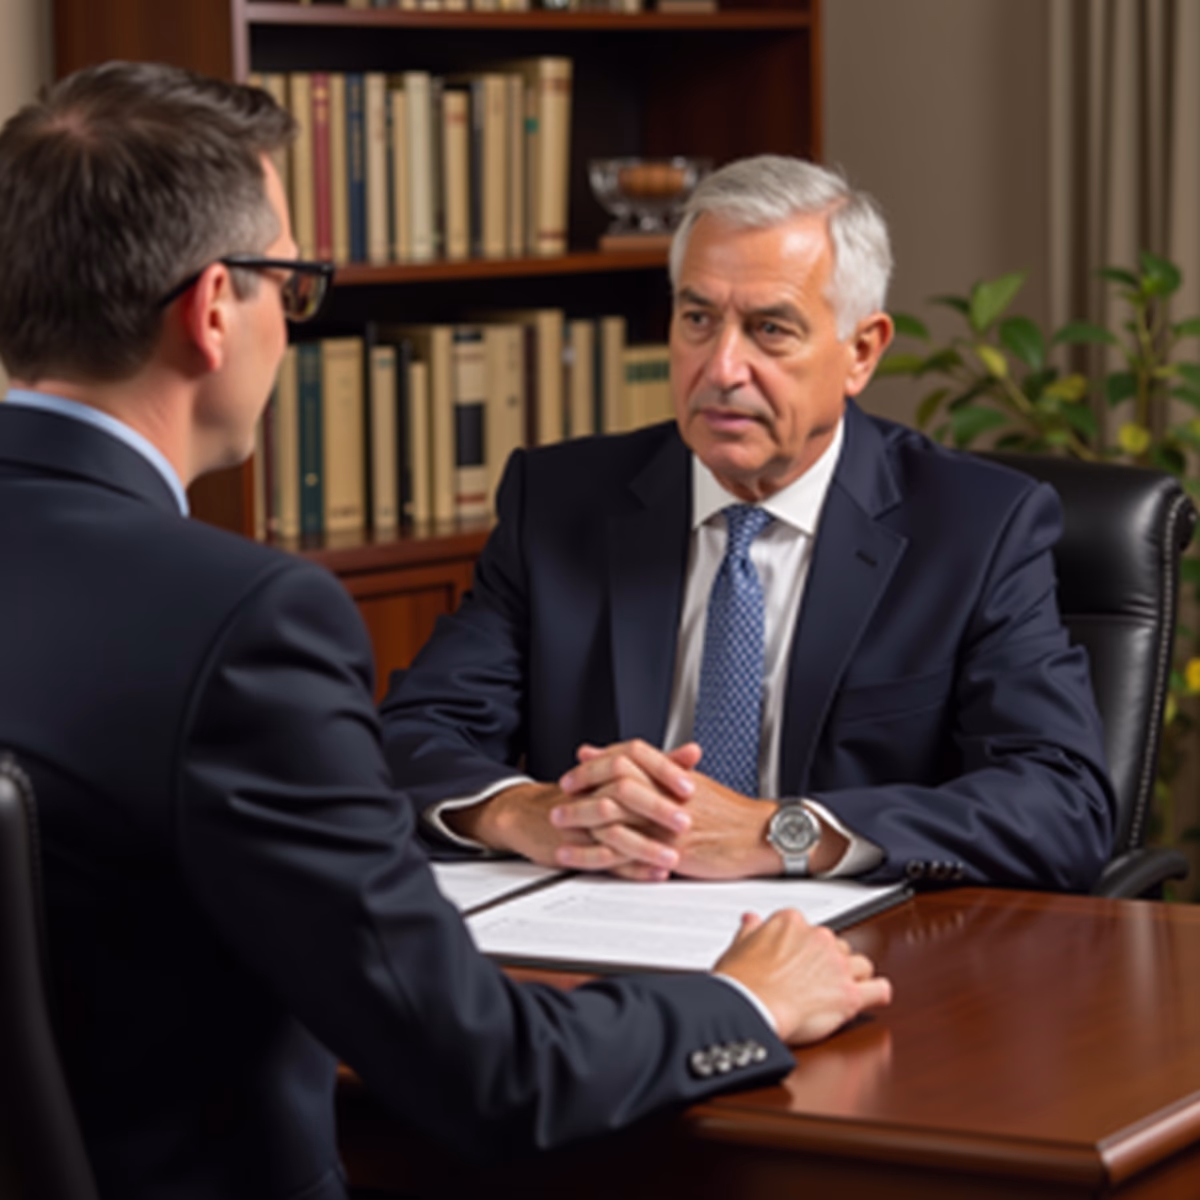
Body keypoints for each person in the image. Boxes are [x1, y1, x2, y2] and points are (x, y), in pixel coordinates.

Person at [0, 66, 892, 1200]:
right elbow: (491, 1078)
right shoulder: (243, 622)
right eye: (293, 282)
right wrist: (744, 999)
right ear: (215, 308)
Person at [379, 154, 1116, 892]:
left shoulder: (978, 528)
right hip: (602, 948)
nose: (723, 367)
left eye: (770, 329)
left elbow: (1060, 806)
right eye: (698, 319)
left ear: (861, 351)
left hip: (857, 958)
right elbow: (408, 739)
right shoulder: (560, 502)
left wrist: (779, 832)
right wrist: (530, 813)